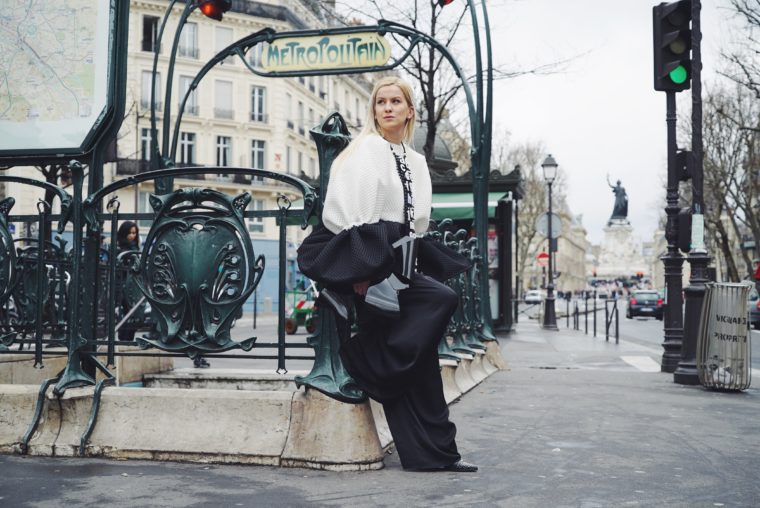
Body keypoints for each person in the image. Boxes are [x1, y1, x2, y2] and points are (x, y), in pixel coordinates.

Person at [297, 76, 477, 472]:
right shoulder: (367, 149)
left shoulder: (414, 159)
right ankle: (369, 358)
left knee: (423, 365)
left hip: (402, 257)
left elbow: (418, 220)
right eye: (381, 102)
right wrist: (361, 268)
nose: (388, 108)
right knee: (440, 299)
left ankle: (433, 455)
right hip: (370, 259)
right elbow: (351, 209)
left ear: (410, 110)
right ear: (374, 110)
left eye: (396, 101)